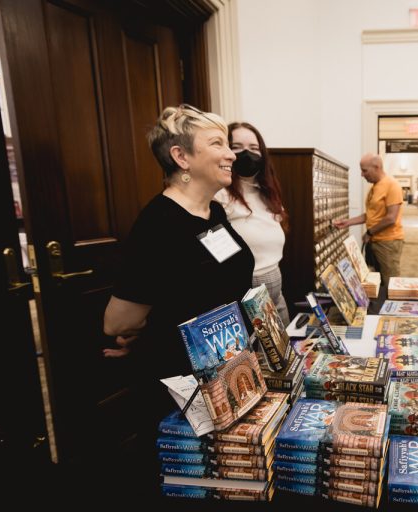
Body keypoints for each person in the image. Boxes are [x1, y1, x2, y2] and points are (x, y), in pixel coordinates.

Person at [102, 104, 255, 498]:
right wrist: (156, 328)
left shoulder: (213, 212)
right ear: (181, 157)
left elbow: (218, 282)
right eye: (217, 143)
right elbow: (117, 322)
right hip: (178, 384)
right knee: (187, 482)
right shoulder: (158, 223)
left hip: (223, 368)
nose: (231, 154)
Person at [215, 121, 290, 325]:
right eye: (237, 147)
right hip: (245, 293)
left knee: (286, 344)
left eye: (254, 148)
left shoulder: (266, 192)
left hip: (275, 292)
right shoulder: (219, 195)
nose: (247, 154)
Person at [333, 154, 404, 286]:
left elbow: (391, 218)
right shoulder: (374, 187)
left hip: (388, 242)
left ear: (376, 167)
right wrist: (347, 222)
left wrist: (369, 232)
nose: (362, 174)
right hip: (375, 241)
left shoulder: (392, 185)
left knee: (391, 281)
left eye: (364, 170)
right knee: (377, 279)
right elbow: (371, 215)